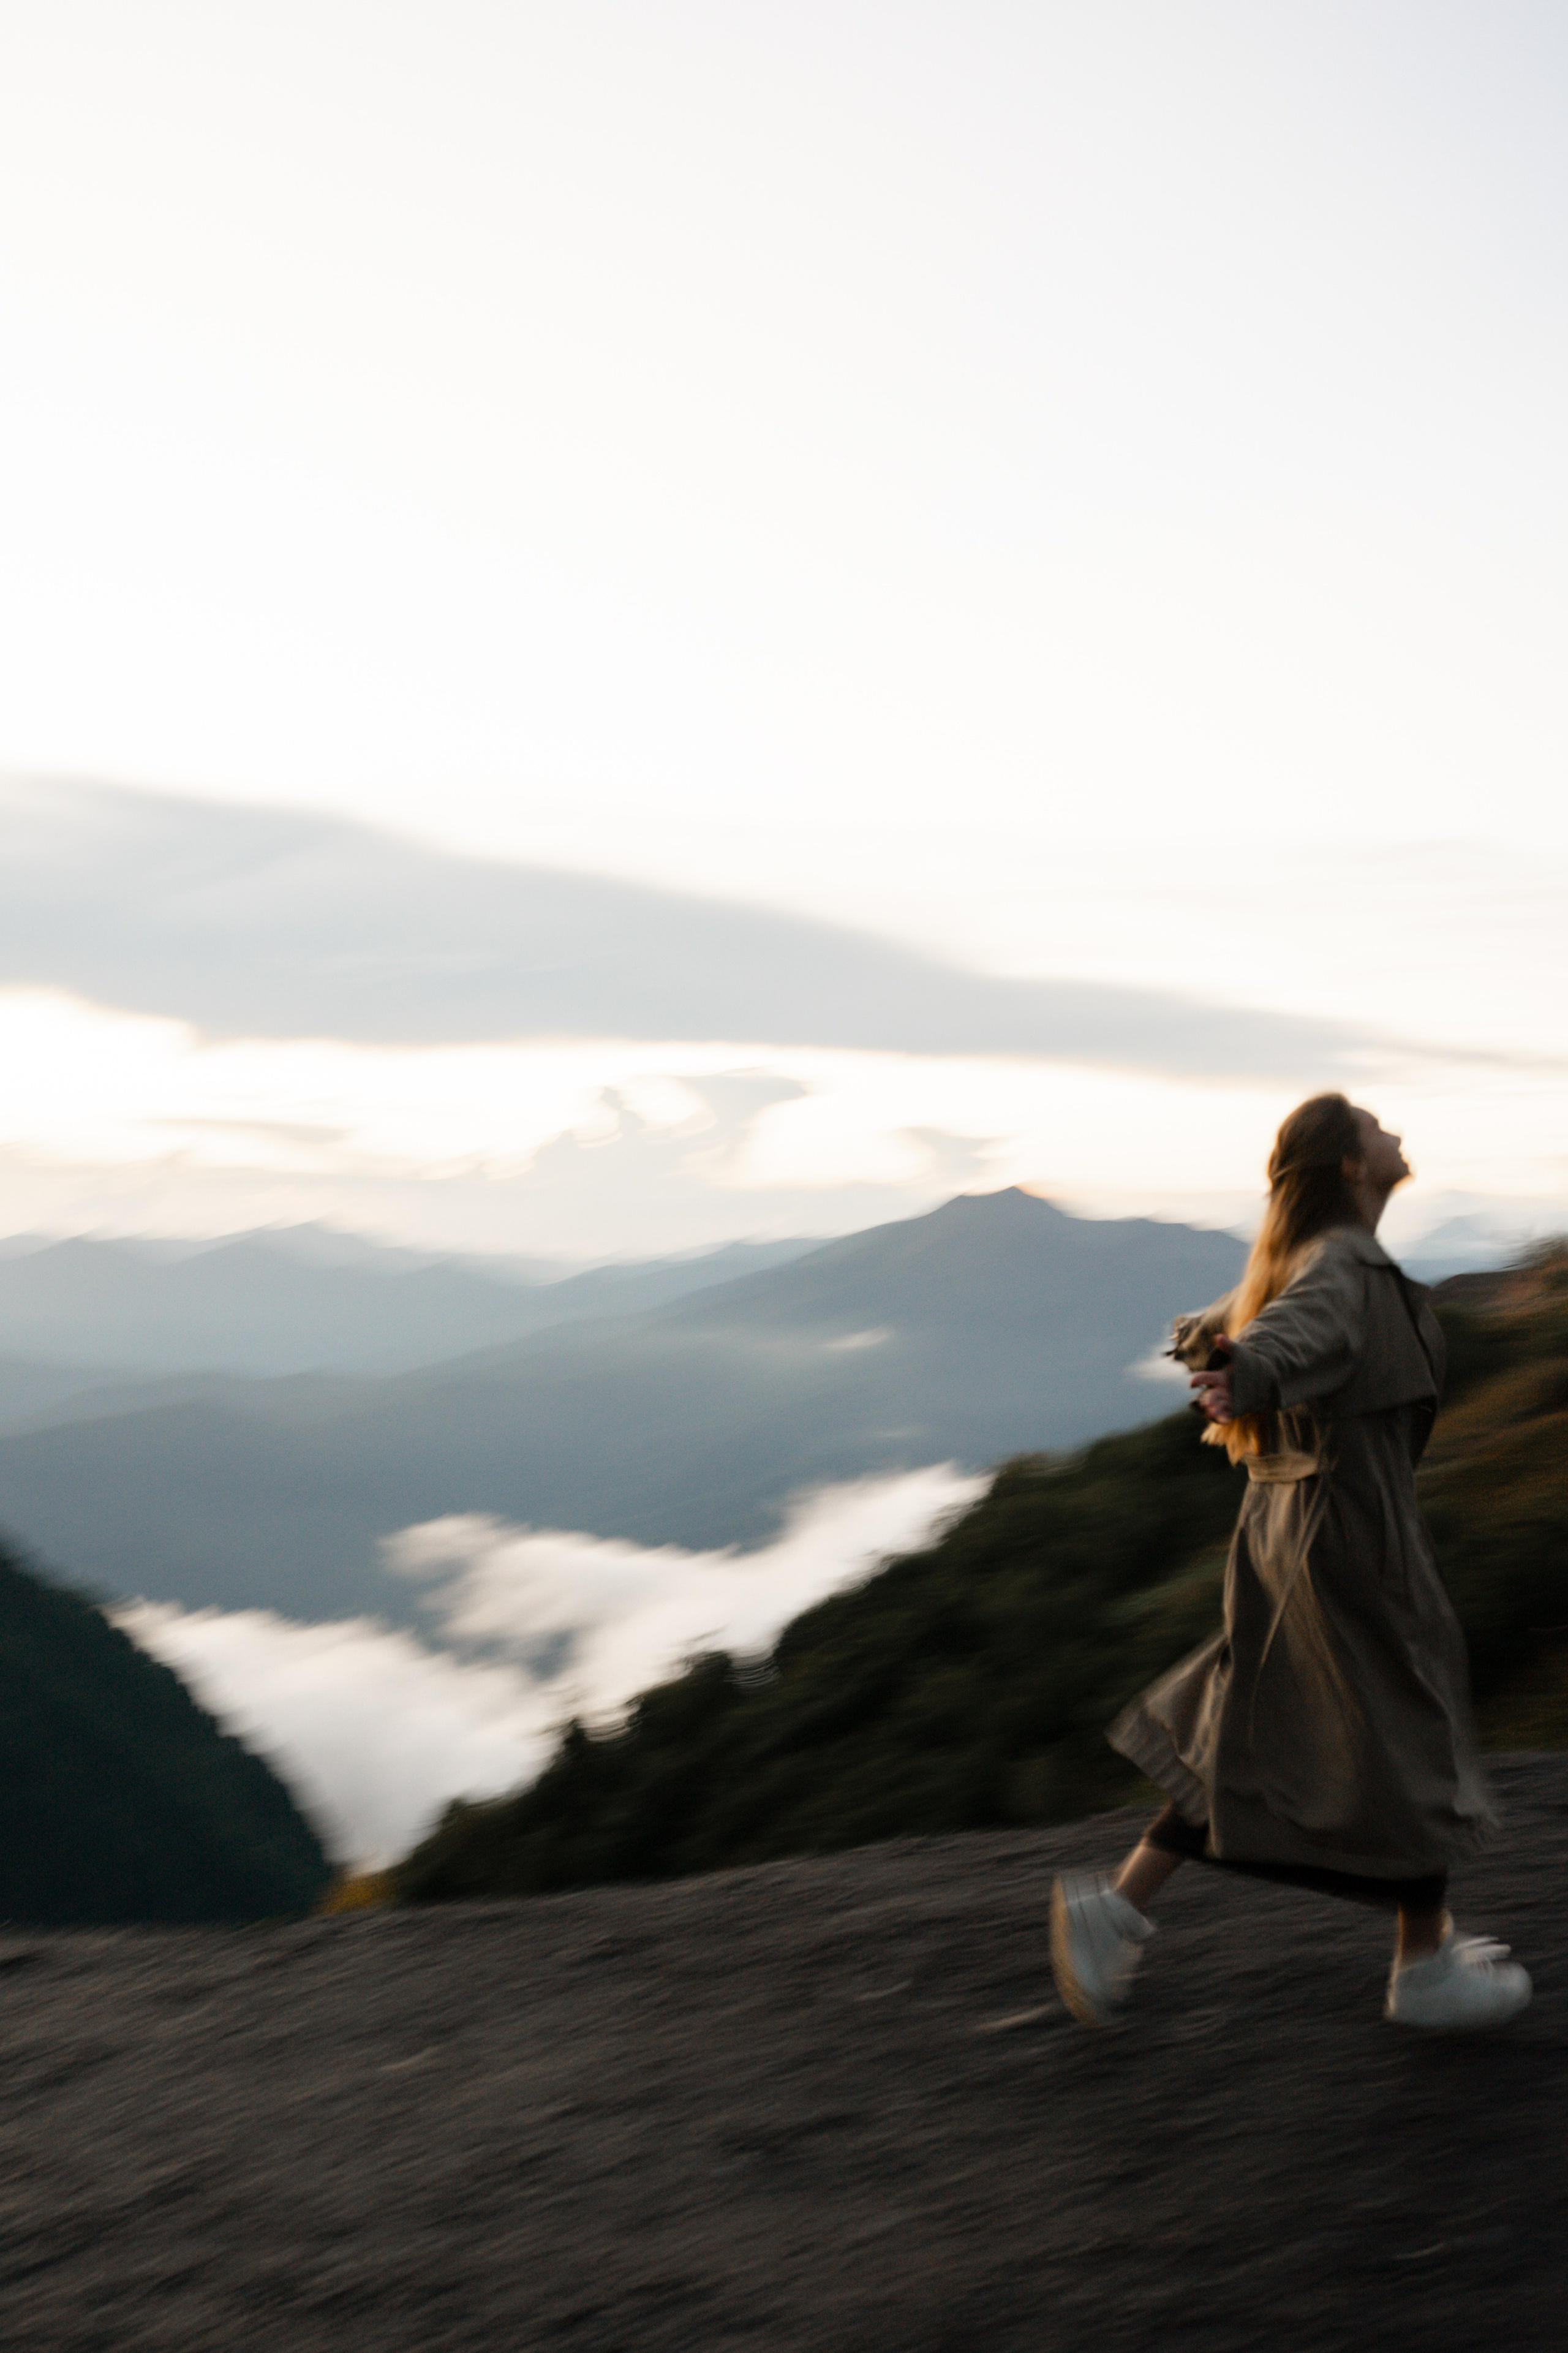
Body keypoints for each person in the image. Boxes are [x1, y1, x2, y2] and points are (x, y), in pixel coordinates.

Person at [1051, 1093, 1530, 2033]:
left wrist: (1232, 1360)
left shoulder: (1312, 1257)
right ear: (1352, 1166)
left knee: (1259, 1728)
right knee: (1412, 1734)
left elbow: (1246, 1326)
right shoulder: (1341, 1268)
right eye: (1374, 1125)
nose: (1394, 1131)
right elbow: (1287, 1337)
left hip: (1308, 1528)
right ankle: (1424, 1967)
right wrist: (1246, 1373)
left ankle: (1117, 1908)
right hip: (1348, 1541)